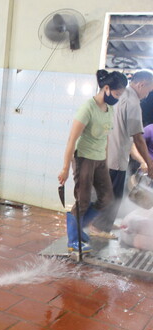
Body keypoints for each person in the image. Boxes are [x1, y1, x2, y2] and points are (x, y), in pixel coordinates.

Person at [58, 70, 128, 253]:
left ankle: (79, 227)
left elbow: (105, 137)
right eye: (116, 94)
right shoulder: (87, 108)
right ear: (106, 88)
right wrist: (65, 168)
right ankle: (74, 239)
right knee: (83, 200)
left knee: (106, 198)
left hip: (100, 160)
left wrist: (105, 160)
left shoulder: (109, 108)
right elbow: (72, 140)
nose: (118, 98)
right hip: (84, 159)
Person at [90, 70, 153, 238]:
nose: (147, 95)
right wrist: (149, 162)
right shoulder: (132, 102)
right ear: (141, 84)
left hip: (107, 152)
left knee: (110, 192)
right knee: (112, 194)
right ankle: (99, 228)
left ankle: (105, 224)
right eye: (148, 90)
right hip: (116, 156)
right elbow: (138, 138)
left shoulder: (120, 96)